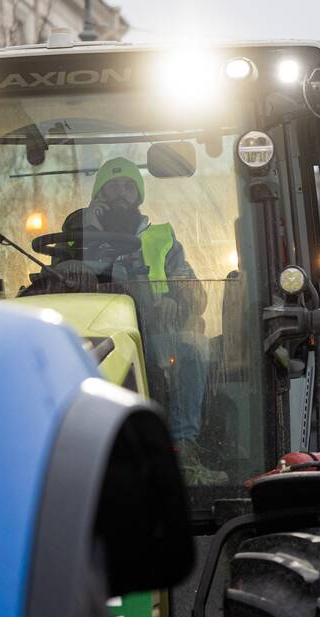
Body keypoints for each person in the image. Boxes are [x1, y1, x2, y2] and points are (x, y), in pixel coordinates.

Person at [74, 157, 226, 485]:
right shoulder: (76, 238)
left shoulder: (163, 239)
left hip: (157, 335)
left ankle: (183, 447)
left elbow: (196, 295)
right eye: (112, 186)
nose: (120, 193)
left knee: (191, 348)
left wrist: (175, 298)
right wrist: (93, 234)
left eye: (128, 186)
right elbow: (70, 281)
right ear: (98, 194)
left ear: (139, 195)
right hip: (94, 337)